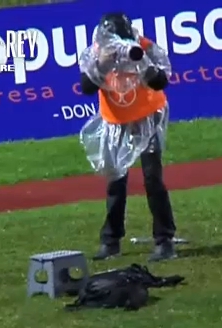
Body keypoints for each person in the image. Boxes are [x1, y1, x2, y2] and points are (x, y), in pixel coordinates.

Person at [77, 12, 178, 262]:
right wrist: (104, 62)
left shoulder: (145, 47)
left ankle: (164, 240)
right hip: (116, 121)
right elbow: (86, 87)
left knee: (152, 179)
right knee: (115, 182)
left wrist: (143, 64)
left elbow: (161, 80)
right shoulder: (96, 52)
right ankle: (110, 241)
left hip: (148, 117)